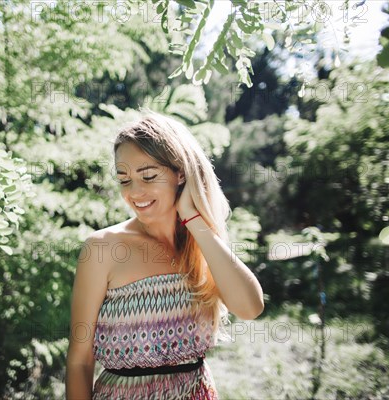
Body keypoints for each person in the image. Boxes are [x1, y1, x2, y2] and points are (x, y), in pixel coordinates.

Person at [65, 111, 264, 399]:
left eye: (148, 176)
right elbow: (79, 361)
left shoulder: (201, 245)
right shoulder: (102, 248)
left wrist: (194, 221)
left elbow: (250, 308)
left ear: (180, 173)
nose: (135, 192)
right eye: (124, 179)